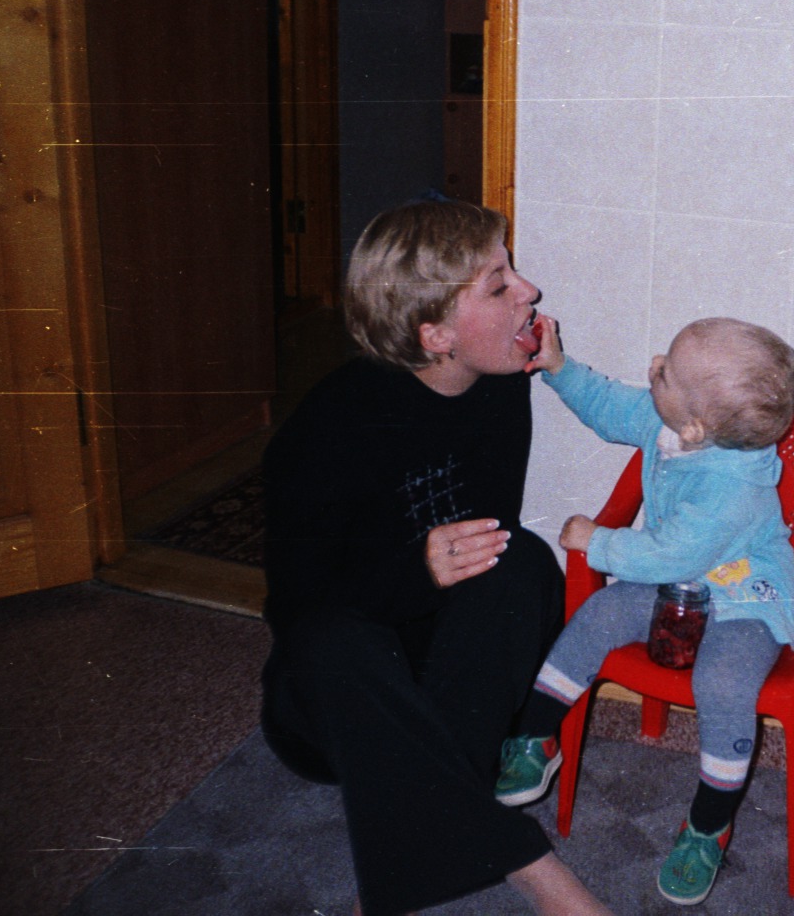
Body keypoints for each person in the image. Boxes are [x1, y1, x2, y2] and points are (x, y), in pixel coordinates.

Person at [258, 200, 611, 915]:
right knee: (334, 638)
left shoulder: (500, 390)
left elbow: (486, 576)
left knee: (525, 565)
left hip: (445, 706)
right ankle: (539, 871)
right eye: (498, 284)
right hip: (337, 712)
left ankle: (404, 860)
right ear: (436, 334)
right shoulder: (334, 423)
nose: (531, 291)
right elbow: (295, 613)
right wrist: (416, 571)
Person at [492, 316, 794, 906]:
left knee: (724, 681)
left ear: (694, 423)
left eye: (666, 372)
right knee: (599, 614)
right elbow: (610, 405)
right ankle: (538, 737)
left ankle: (709, 825)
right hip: (678, 583)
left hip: (742, 596)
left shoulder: (733, 488)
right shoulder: (671, 424)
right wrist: (560, 368)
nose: (654, 364)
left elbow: (670, 552)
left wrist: (599, 541)